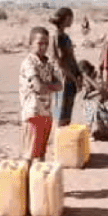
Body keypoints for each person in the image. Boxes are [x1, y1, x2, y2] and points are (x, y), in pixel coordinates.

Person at [19, 26, 63, 161]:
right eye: (39, 43)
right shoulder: (29, 63)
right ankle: (26, 181)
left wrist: (46, 86)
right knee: (29, 154)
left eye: (46, 43)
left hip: (46, 112)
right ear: (30, 44)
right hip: (33, 111)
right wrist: (50, 86)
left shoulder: (48, 63)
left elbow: (60, 85)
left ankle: (39, 182)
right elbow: (38, 87)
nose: (43, 47)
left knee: (41, 153)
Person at [48, 7, 82, 128]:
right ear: (66, 18)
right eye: (71, 17)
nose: (72, 20)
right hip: (62, 75)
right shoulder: (55, 36)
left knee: (68, 108)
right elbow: (57, 61)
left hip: (70, 74)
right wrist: (72, 77)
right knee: (60, 108)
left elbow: (71, 57)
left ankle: (65, 137)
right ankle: (60, 137)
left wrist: (78, 73)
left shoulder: (65, 36)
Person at [77, 59, 108, 140]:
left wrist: (89, 79)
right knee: (94, 108)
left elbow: (101, 89)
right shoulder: (81, 79)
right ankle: (93, 132)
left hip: (103, 100)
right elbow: (82, 95)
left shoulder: (96, 74)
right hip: (91, 102)